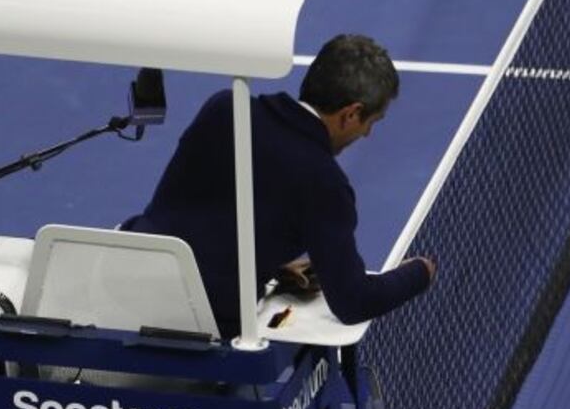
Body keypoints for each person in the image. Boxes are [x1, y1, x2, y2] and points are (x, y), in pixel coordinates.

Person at [122, 34, 435, 338]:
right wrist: (419, 272)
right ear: (350, 114)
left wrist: (269, 264)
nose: (366, 134)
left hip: (126, 280)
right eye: (371, 122)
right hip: (200, 322)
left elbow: (206, 214)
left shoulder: (224, 107)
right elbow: (353, 301)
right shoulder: (324, 181)